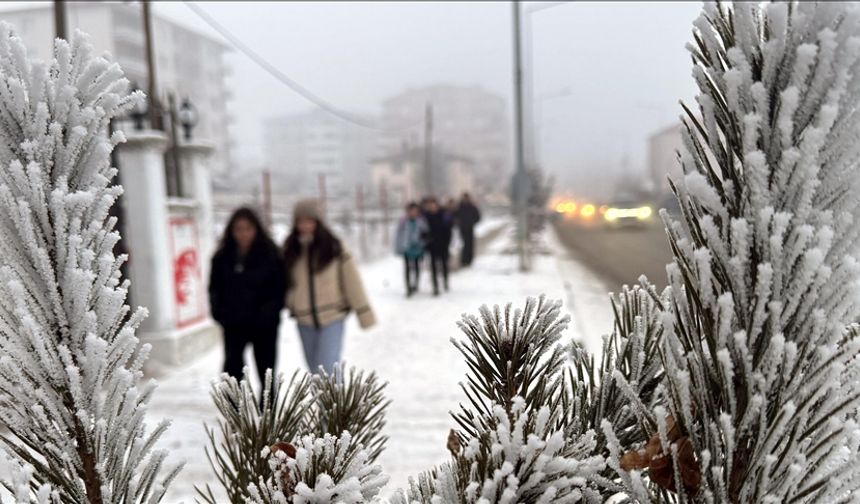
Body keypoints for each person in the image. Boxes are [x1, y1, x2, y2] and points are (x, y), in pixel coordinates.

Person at [283, 199, 376, 374]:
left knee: (328, 366)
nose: (305, 225)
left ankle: (338, 402)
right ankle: (322, 402)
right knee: (313, 369)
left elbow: (352, 281)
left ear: (317, 221)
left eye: (309, 220)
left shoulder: (333, 247)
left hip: (332, 316)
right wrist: (290, 302)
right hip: (304, 320)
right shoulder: (290, 250)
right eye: (300, 221)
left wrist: (364, 313)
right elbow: (283, 282)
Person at [209, 207, 286, 383]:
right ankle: (235, 409)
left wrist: (270, 312)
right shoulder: (222, 257)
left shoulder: (271, 254)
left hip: (265, 325)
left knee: (267, 374)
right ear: (231, 231)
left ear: (256, 229)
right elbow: (214, 288)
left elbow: (280, 287)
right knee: (232, 372)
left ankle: (267, 410)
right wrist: (219, 312)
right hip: (234, 324)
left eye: (248, 229)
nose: (243, 234)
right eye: (238, 229)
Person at [395, 202, 429, 297]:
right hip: (406, 247)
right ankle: (408, 287)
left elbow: (426, 233)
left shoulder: (421, 221)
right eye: (411, 210)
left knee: (417, 266)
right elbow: (398, 235)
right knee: (407, 268)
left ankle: (416, 284)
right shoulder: (403, 221)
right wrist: (399, 247)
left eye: (415, 211)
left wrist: (423, 243)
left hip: (418, 247)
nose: (413, 212)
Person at [422, 197, 451, 295]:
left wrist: (447, 242)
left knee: (444, 264)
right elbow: (422, 231)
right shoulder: (425, 216)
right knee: (433, 266)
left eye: (433, 205)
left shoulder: (443, 214)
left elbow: (448, 229)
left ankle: (445, 281)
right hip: (432, 245)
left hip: (443, 244)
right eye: (429, 205)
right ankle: (435, 287)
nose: (431, 207)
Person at [455, 192, 482, 267]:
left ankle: (469, 260)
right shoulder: (459, 207)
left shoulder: (472, 207)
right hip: (462, 228)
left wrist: (472, 222)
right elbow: (455, 216)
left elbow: (478, 217)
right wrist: (458, 222)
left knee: (470, 244)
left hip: (470, 228)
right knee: (464, 244)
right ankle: (464, 260)